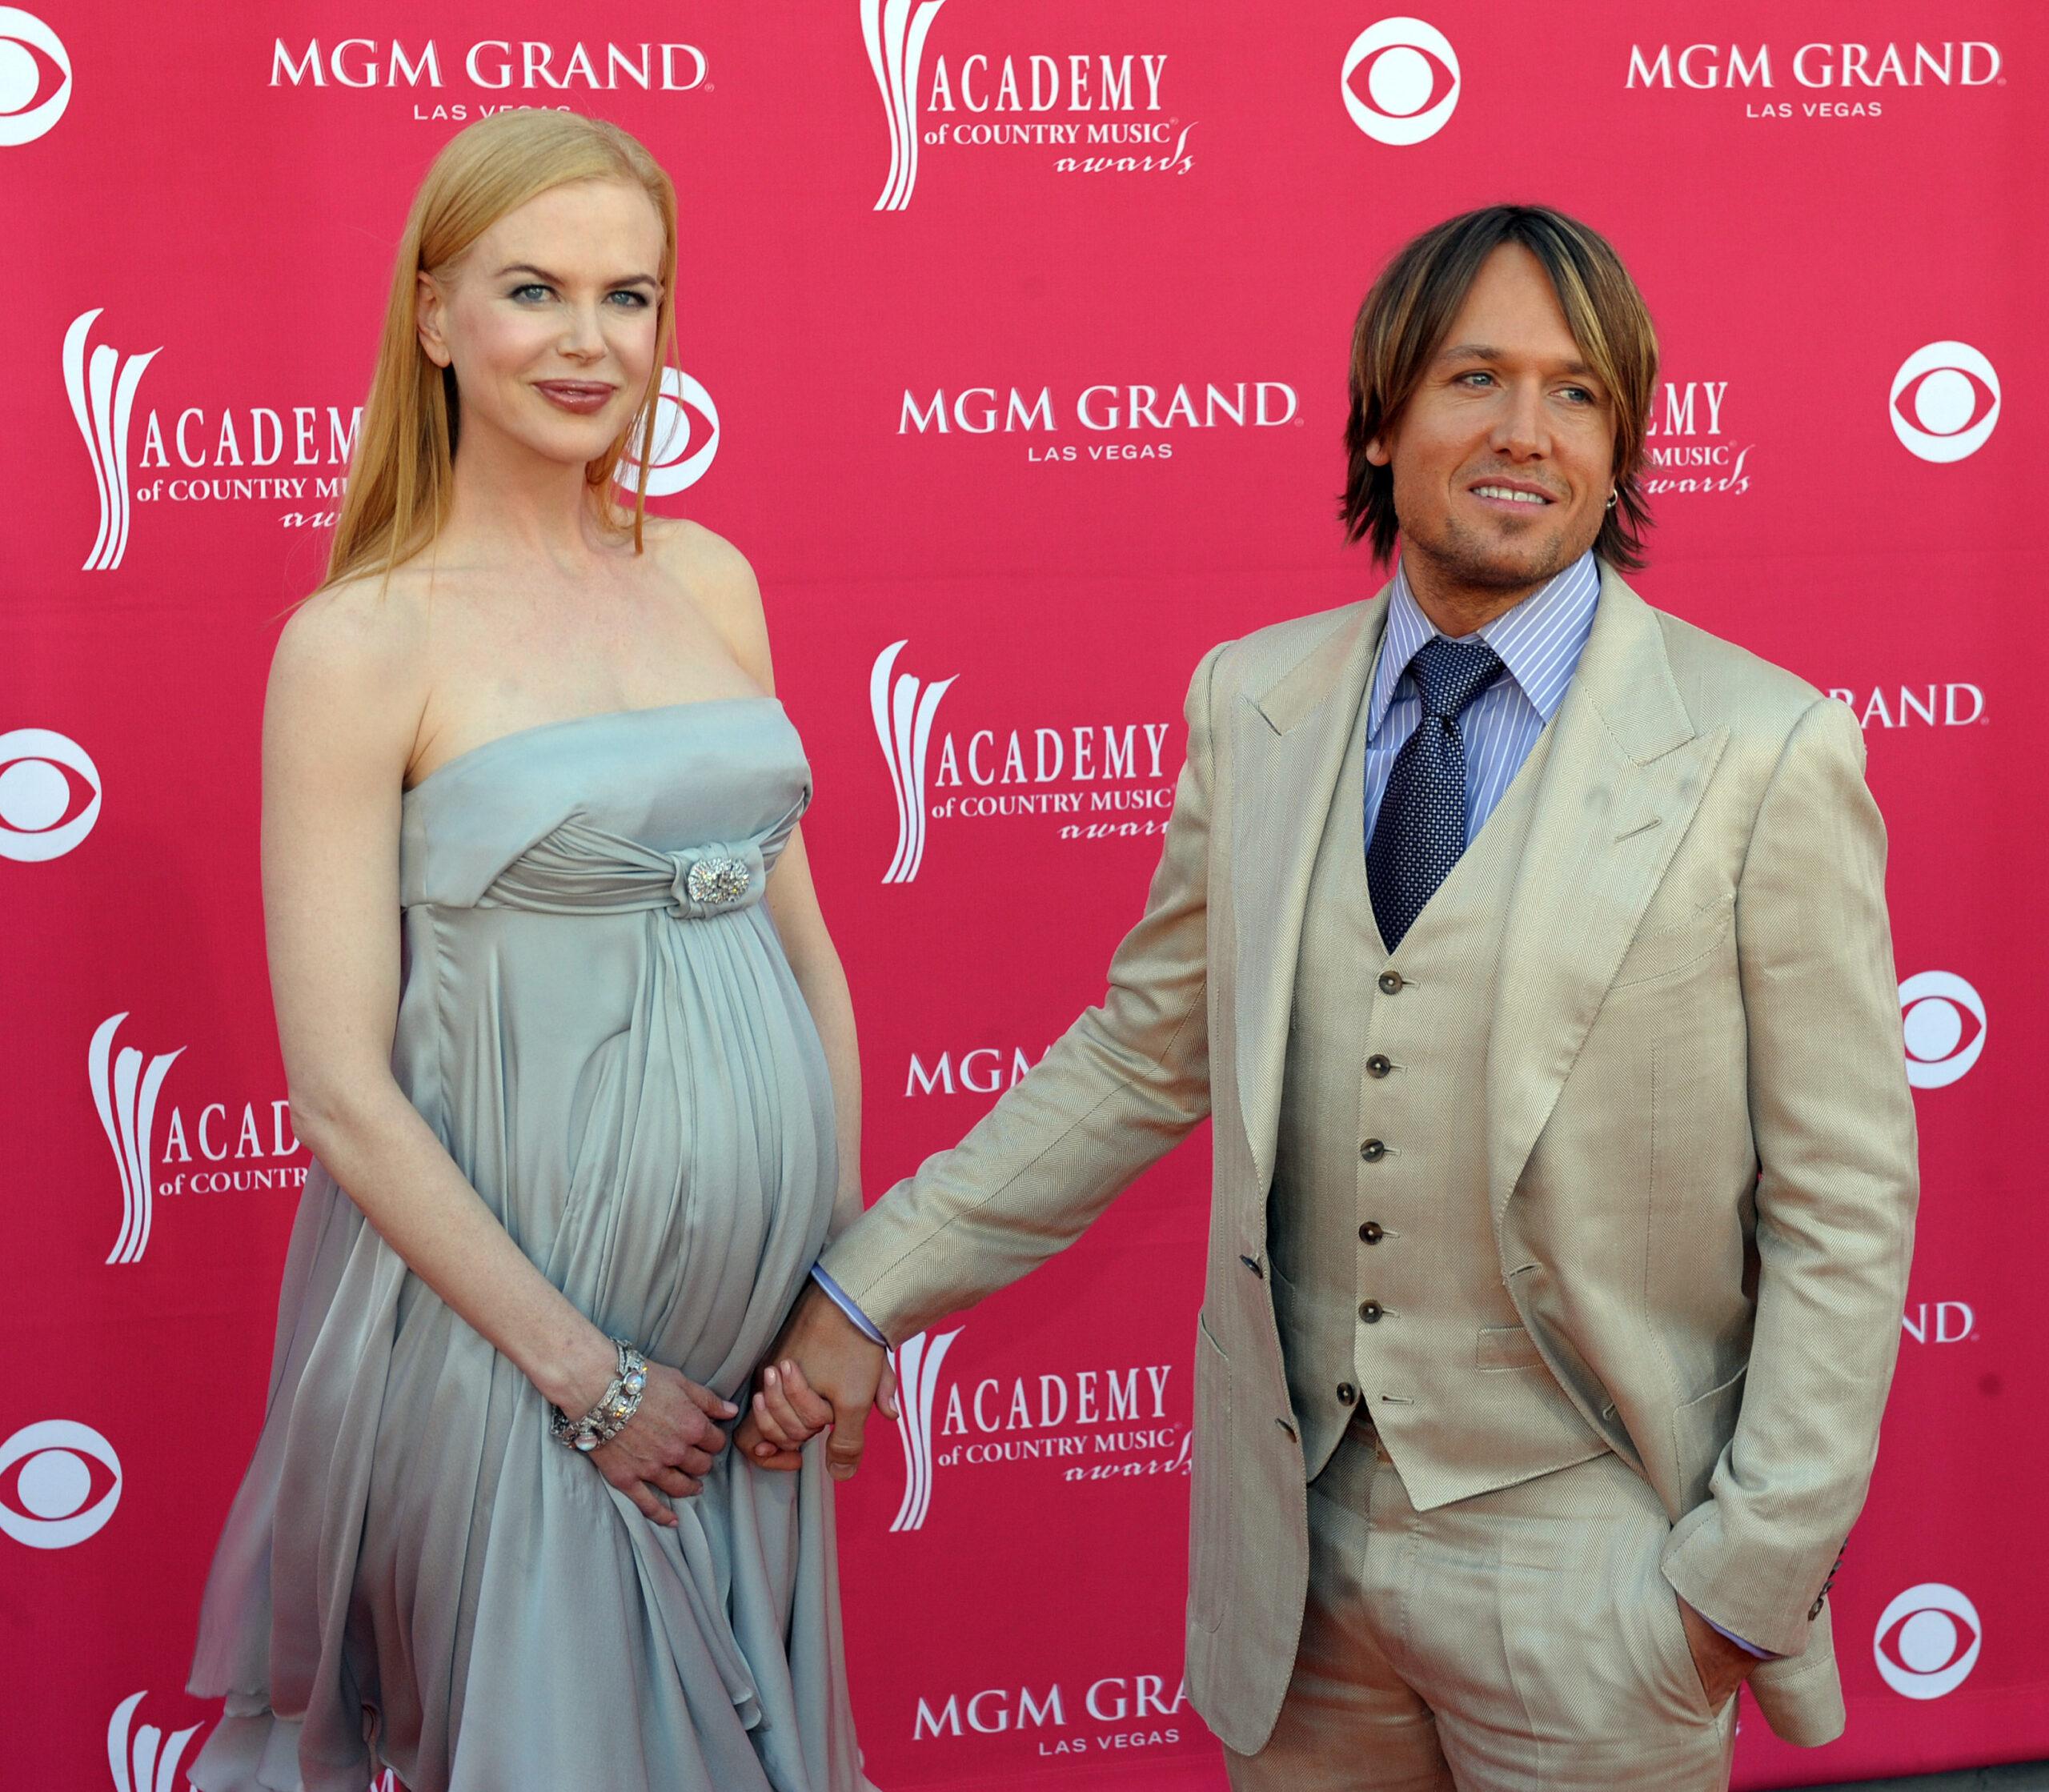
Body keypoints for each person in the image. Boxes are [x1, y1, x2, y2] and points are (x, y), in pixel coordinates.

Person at [740, 205, 1919, 1790]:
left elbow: (1844, 1198)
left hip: (1602, 1556)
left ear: (1621, 444)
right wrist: (871, 1283)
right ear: (1378, 418)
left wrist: (1743, 1579)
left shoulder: (1763, 748)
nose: (1525, 432)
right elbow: (1139, 1060)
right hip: (1295, 1559)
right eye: (1474, 379)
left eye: (1576, 392)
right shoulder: (1255, 700)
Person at [187, 111, 873, 1792]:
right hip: (526, 1367)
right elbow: (341, 1093)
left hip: (751, 1378)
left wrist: (842, 1294)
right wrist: (590, 1382)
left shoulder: (707, 578)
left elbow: (807, 958)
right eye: (533, 290)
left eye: (628, 297)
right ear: (433, 314)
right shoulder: (361, 643)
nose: (588, 342)